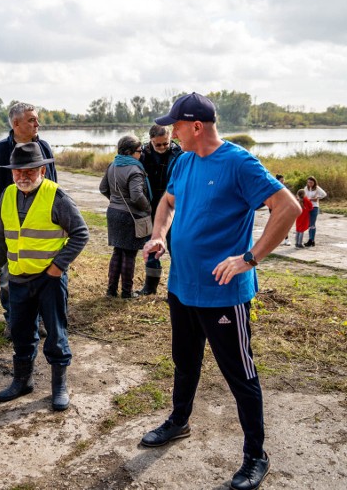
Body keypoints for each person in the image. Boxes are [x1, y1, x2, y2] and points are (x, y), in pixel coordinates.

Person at [138, 93, 300, 490]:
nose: (170, 132)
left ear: (196, 126)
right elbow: (168, 201)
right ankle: (179, 421)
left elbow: (288, 208)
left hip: (223, 293)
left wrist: (250, 257)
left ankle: (255, 456)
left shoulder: (239, 162)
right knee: (185, 361)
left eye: (175, 125)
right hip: (182, 286)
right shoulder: (184, 160)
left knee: (240, 374)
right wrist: (159, 234)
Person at [0, 142, 89, 411]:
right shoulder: (8, 194)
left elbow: (81, 233)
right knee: (21, 332)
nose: (23, 176)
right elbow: (1, 237)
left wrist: (58, 267)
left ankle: (59, 386)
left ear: (42, 170)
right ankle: (23, 381)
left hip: (49, 281)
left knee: (56, 333)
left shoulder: (56, 197)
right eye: (17, 171)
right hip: (18, 279)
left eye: (30, 170)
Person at [0, 102, 57, 338]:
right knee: (8, 279)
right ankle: (12, 319)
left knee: (44, 276)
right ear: (16, 123)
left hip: (43, 226)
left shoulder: (44, 147)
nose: (38, 124)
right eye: (32, 120)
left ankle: (42, 320)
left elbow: (54, 185)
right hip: (11, 228)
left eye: (37, 119)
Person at [99, 135, 152, 299]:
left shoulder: (113, 164)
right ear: (129, 152)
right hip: (130, 216)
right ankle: (127, 293)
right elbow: (136, 196)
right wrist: (149, 208)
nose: (141, 153)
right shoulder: (135, 170)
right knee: (129, 254)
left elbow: (103, 188)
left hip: (113, 213)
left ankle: (111, 290)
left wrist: (115, 202)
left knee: (117, 252)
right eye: (138, 151)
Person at [137, 124, 183, 294]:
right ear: (151, 141)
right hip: (149, 205)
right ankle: (150, 287)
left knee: (176, 247)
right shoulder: (141, 155)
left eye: (166, 143)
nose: (163, 147)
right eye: (159, 144)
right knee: (152, 246)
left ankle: (176, 289)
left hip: (173, 206)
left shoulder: (179, 154)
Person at [303, 176, 327, 247]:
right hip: (307, 207)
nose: (310, 184)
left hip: (314, 207)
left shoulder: (317, 188)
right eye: (308, 182)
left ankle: (311, 240)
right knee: (309, 224)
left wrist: (318, 197)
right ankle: (311, 240)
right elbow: (304, 196)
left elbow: (324, 194)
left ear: (314, 182)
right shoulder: (306, 188)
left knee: (312, 224)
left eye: (311, 182)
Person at [274, 175, 290, 246]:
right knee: (276, 225)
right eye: (281, 180)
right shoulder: (274, 188)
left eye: (283, 180)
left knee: (284, 224)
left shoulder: (285, 188)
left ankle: (286, 239)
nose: (283, 182)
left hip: (284, 208)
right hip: (274, 208)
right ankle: (275, 240)